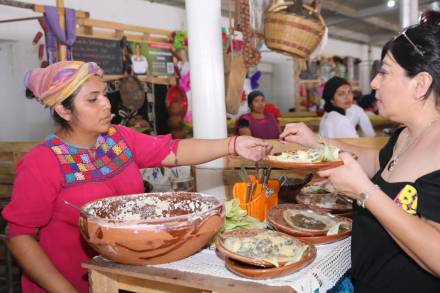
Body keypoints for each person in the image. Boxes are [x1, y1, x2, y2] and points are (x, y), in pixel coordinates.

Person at [1, 61, 272, 293]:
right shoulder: (42, 162)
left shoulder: (118, 139)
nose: (107, 104)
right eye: (93, 99)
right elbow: (19, 237)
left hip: (127, 277)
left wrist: (233, 145)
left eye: (105, 94)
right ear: (63, 110)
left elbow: (174, 151)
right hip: (71, 283)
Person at [279, 15, 440, 292]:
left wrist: (365, 193)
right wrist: (316, 141)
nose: (374, 83)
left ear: (421, 84)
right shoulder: (406, 134)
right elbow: (372, 162)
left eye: (385, 72)